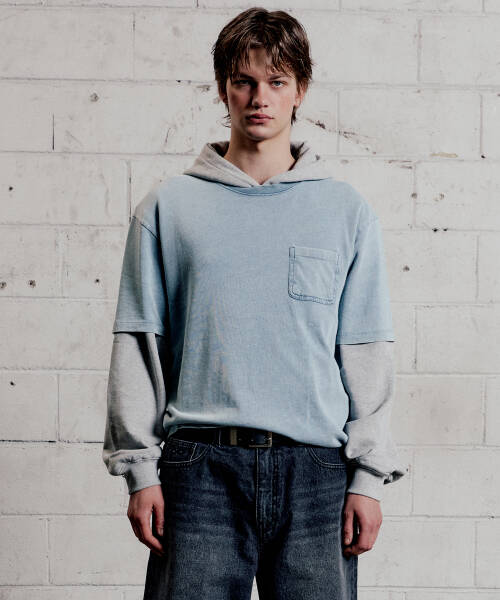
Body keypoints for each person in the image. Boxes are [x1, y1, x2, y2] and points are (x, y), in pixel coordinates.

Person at [102, 7, 407, 599]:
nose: (259, 98)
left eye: (276, 81)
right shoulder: (168, 208)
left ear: (300, 90)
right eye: (243, 81)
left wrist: (369, 477)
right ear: (223, 89)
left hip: (316, 474)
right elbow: (139, 345)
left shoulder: (345, 211)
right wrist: (139, 470)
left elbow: (367, 352)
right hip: (199, 471)